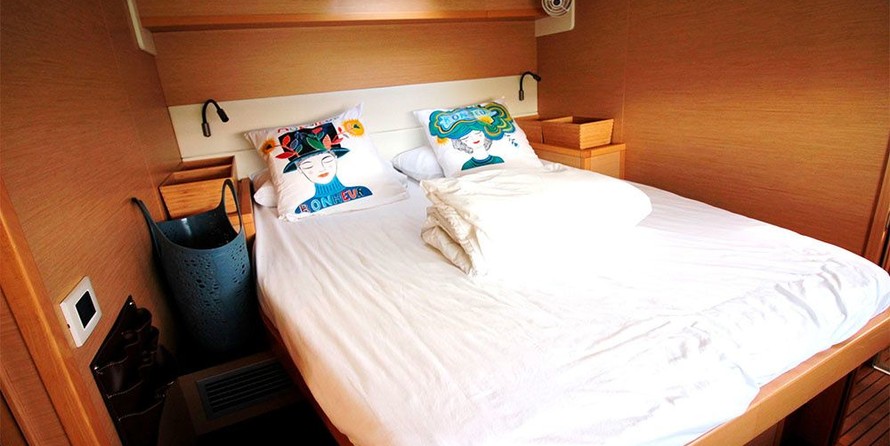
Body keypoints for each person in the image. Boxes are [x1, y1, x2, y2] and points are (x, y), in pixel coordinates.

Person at [278, 123, 372, 214]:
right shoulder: (303, 209)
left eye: (327, 160)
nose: (321, 169)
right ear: (300, 169)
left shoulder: (362, 192)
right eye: (308, 165)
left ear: (335, 159)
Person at [428, 102, 516, 171]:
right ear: (461, 142)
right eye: (465, 138)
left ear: (486, 133)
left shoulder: (498, 160)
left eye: (478, 133)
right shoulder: (467, 166)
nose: (474, 138)